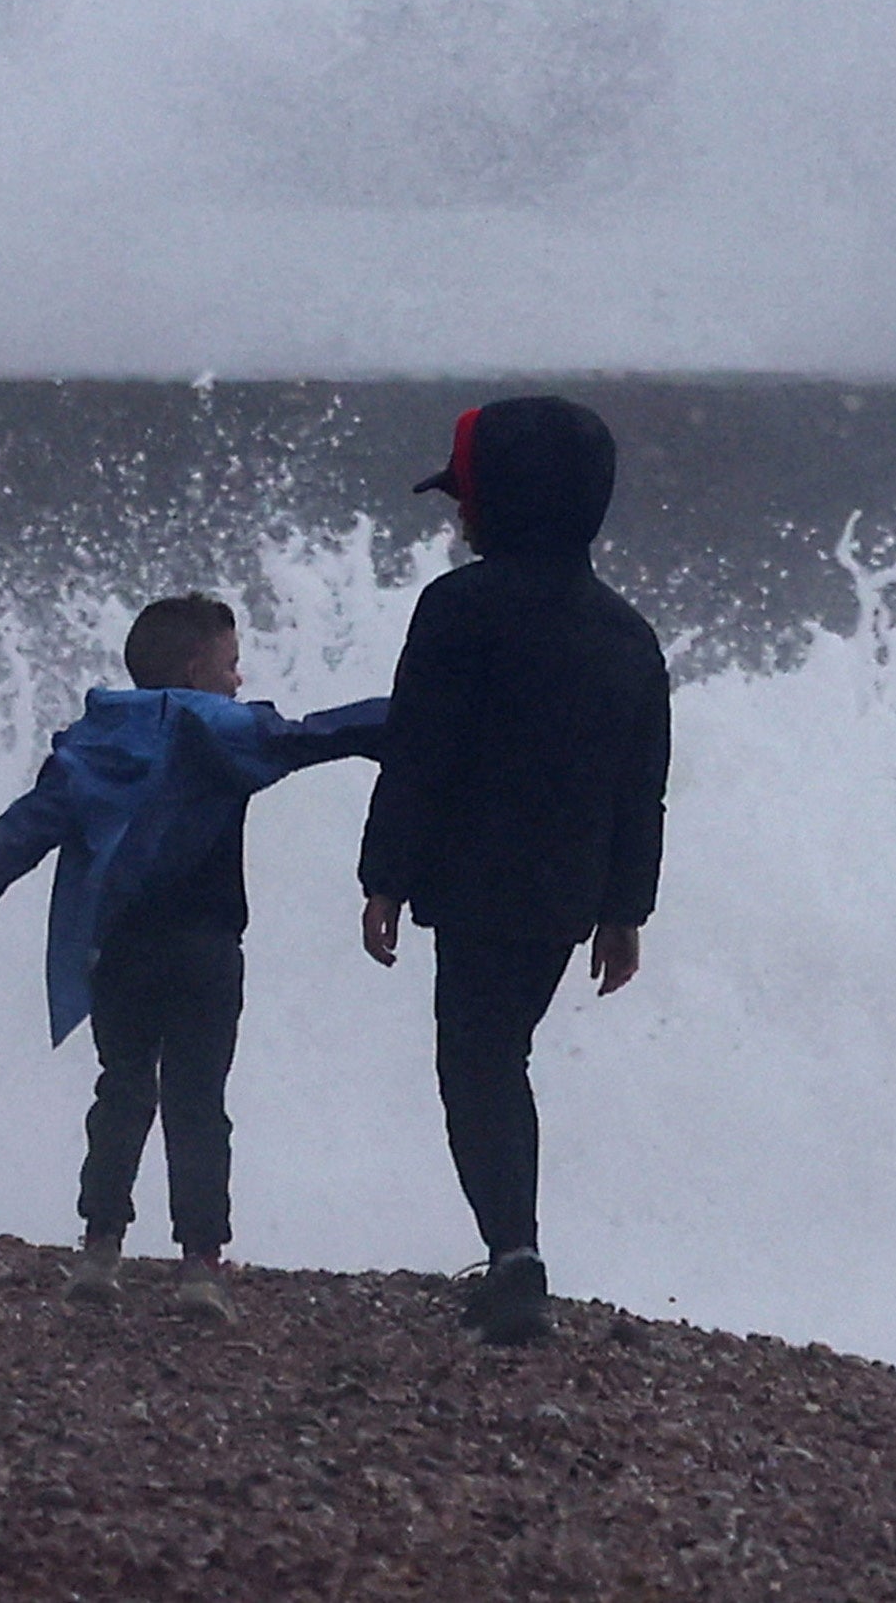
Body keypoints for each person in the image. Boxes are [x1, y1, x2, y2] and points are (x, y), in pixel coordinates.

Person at [0, 596, 385, 1313]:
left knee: (124, 1086)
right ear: (198, 668)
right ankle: (200, 1264)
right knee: (199, 1100)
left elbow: (25, 829)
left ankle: (100, 1250)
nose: (240, 680)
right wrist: (424, 714)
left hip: (118, 951)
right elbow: (319, 735)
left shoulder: (91, 742)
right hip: (205, 948)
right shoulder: (225, 728)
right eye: (231, 664)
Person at [358, 394, 673, 1348]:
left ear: (495, 506)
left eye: (465, 500)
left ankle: (514, 1257)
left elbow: (420, 752)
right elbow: (641, 786)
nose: (458, 516)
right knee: (504, 1052)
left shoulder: (456, 610)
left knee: (479, 1056)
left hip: (472, 878)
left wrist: (385, 875)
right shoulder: (628, 635)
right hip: (566, 890)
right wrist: (625, 909)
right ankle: (512, 1251)